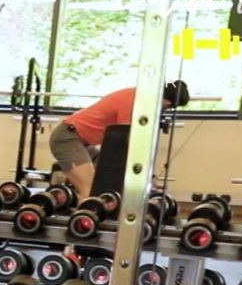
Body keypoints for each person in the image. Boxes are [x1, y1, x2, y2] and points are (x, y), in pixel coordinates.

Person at [50, 79, 190, 197]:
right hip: (67, 138)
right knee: (90, 188)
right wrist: (147, 177)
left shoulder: (141, 98)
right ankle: (83, 221)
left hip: (84, 143)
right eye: (168, 106)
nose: (166, 110)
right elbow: (126, 143)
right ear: (165, 100)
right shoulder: (134, 103)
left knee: (108, 182)